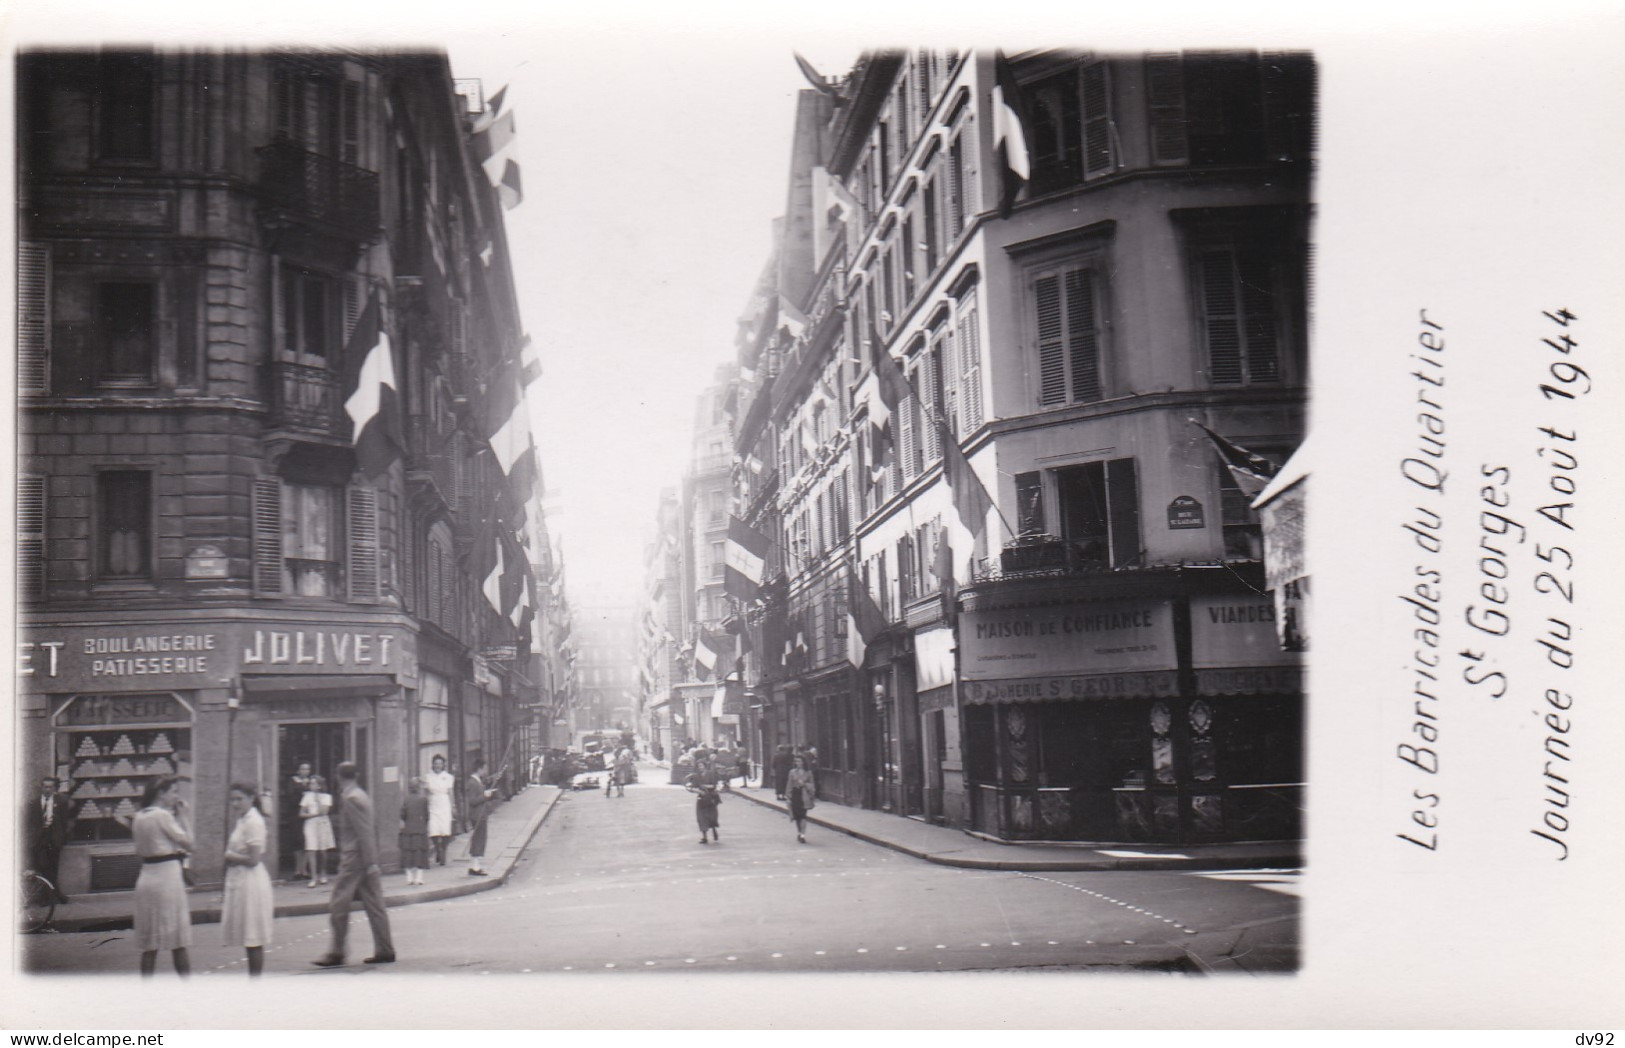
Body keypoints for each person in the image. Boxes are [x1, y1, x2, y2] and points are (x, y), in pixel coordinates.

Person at [313, 762, 395, 967]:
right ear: (356, 775)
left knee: (338, 904)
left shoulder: (351, 798)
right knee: (374, 904)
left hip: (355, 859)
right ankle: (385, 949)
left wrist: (370, 863)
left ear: (338, 777)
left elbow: (363, 832)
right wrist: (372, 862)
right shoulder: (361, 795)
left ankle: (337, 951)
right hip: (363, 858)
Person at [132, 775, 193, 977]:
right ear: (161, 794)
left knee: (150, 943)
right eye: (173, 792)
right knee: (178, 940)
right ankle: (187, 990)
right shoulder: (163, 816)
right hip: (167, 878)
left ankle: (146, 993)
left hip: (147, 877)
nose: (176, 796)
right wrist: (184, 815)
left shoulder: (139, 816)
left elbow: (139, 850)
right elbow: (189, 843)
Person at [221, 782, 274, 977]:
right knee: (247, 935)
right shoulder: (243, 819)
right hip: (241, 880)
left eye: (239, 799)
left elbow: (254, 859)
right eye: (232, 799)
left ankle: (256, 983)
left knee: (253, 936)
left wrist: (230, 856)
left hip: (251, 882)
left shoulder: (253, 821)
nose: (235, 803)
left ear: (251, 799)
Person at [25, 775, 73, 904]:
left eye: (50, 787)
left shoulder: (61, 802)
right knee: (43, 867)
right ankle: (51, 895)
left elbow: (65, 822)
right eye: (45, 786)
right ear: (41, 787)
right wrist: (32, 840)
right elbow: (30, 823)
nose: (47, 789)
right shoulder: (33, 803)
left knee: (53, 867)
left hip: (54, 840)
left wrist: (62, 838)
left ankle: (51, 896)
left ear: (54, 788)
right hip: (40, 841)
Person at [299, 774, 334, 888]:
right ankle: (313, 877)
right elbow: (301, 813)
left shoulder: (327, 797)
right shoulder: (306, 796)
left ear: (319, 786)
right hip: (310, 824)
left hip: (323, 824)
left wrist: (317, 799)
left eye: (313, 783)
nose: (311, 785)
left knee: (323, 851)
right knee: (311, 849)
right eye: (310, 783)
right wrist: (312, 814)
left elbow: (324, 812)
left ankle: (323, 873)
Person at [465, 758, 496, 876]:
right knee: (479, 839)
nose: (486, 771)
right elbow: (472, 800)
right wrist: (485, 795)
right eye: (485, 768)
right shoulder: (473, 783)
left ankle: (475, 865)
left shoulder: (477, 781)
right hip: (477, 815)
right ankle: (475, 867)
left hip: (480, 814)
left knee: (478, 839)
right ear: (479, 769)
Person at [423, 754, 456, 867]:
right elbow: (426, 793)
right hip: (433, 803)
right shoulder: (428, 777)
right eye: (436, 763)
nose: (438, 766)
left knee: (445, 830)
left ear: (443, 765)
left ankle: (443, 853)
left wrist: (453, 806)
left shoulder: (448, 777)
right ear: (433, 764)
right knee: (433, 830)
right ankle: (438, 849)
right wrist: (426, 805)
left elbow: (450, 793)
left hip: (444, 803)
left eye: (440, 764)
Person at [398, 777, 430, 885]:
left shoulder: (406, 799)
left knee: (408, 853)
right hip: (420, 830)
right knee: (420, 854)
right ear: (418, 787)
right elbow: (426, 815)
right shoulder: (423, 799)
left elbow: (402, 815)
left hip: (408, 830)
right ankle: (419, 878)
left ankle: (409, 878)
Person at [285, 761, 314, 881]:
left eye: (307, 769)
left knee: (308, 840)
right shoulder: (293, 781)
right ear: (298, 770)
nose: (305, 771)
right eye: (302, 769)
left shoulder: (311, 782)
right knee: (297, 840)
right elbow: (291, 796)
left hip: (308, 814)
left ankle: (305, 870)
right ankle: (298, 870)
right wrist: (303, 795)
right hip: (296, 813)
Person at [686, 755, 721, 844]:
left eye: (701, 766)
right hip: (701, 798)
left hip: (710, 797)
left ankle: (713, 830)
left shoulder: (710, 774)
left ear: (705, 766)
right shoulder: (696, 776)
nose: (700, 768)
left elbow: (715, 785)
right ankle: (704, 837)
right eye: (698, 766)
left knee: (712, 817)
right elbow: (692, 787)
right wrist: (697, 790)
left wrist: (706, 786)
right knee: (701, 817)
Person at [787, 754, 816, 844]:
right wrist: (788, 796)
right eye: (796, 761)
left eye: (799, 761)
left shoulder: (808, 773)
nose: (797, 763)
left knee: (803, 815)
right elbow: (789, 784)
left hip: (804, 795)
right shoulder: (792, 772)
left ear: (803, 762)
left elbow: (812, 786)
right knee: (797, 816)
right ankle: (799, 832)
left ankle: (803, 835)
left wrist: (804, 784)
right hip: (795, 795)